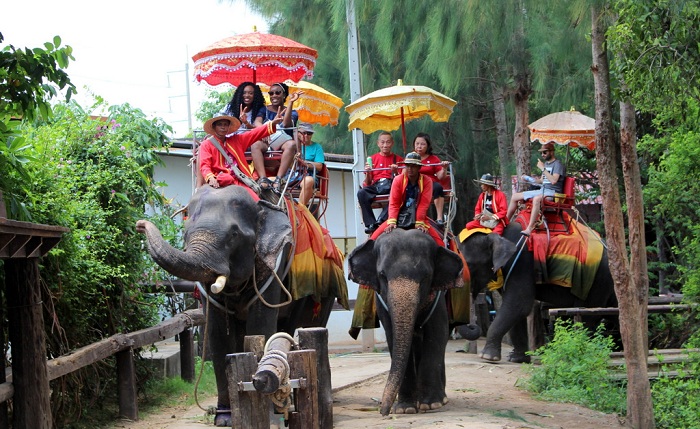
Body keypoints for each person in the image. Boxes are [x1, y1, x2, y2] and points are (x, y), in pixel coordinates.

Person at [198, 111, 283, 201]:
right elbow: (204, 164)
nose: (223, 127)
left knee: (256, 201)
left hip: (239, 180)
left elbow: (254, 133)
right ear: (214, 127)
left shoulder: (236, 140)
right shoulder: (206, 144)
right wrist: (210, 177)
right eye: (220, 124)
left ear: (228, 127)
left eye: (225, 124)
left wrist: (272, 123)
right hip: (220, 179)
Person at [370, 152, 444, 247]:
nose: (410, 169)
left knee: (440, 243)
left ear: (419, 167)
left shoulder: (427, 181)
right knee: (372, 240)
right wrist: (392, 222)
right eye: (407, 166)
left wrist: (419, 223)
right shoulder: (398, 180)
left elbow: (423, 204)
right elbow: (394, 203)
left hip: (418, 217)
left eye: (413, 166)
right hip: (397, 216)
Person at [249, 82, 303, 192]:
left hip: (283, 141)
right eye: (271, 93)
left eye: (277, 93)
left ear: (284, 95)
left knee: (291, 144)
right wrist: (265, 131)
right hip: (267, 140)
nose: (274, 95)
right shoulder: (264, 109)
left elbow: (287, 124)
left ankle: (278, 179)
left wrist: (291, 103)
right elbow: (257, 122)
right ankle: (263, 178)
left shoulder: (293, 112)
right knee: (255, 145)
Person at [505, 142, 566, 236]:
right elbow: (541, 181)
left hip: (553, 192)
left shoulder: (557, 164)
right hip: (543, 190)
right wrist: (528, 178)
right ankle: (505, 222)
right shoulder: (546, 164)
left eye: (545, 152)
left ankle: (529, 228)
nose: (542, 155)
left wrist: (542, 169)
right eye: (541, 153)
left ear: (552, 152)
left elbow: (554, 180)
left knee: (537, 198)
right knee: (515, 196)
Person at [357, 132, 404, 234]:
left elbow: (402, 180)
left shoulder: (398, 159)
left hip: (392, 185)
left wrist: (395, 172)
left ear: (392, 143)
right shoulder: (372, 159)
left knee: (399, 194)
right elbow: (368, 182)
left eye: (388, 142)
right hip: (377, 185)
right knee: (361, 193)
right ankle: (370, 223)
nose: (385, 145)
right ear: (378, 143)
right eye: (382, 142)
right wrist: (369, 172)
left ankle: (381, 220)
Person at [412, 132, 450, 225]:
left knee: (438, 188)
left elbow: (441, 177)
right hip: (415, 182)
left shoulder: (433, 158)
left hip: (430, 183)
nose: (419, 146)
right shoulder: (411, 157)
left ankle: (439, 218)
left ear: (428, 146)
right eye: (417, 144)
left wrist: (444, 168)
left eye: (422, 144)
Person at [295, 123, 325, 206]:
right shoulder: (292, 145)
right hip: (292, 174)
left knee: (308, 181)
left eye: (309, 133)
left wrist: (305, 163)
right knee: (271, 180)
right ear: (298, 133)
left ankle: (300, 209)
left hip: (308, 174)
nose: (306, 136)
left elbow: (319, 166)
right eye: (304, 133)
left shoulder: (316, 147)